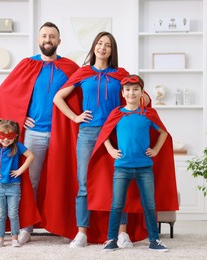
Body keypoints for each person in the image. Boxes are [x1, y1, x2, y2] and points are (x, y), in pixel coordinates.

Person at [0, 22, 79, 243]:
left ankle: (63, 225)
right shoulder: (27, 65)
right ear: (39, 40)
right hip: (34, 133)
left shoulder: (70, 67)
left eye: (52, 36)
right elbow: (7, 92)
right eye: (44, 36)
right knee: (30, 181)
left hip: (60, 134)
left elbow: (85, 92)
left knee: (62, 178)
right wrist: (20, 114)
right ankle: (26, 227)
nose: (48, 39)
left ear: (59, 41)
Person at [52, 32, 150, 248]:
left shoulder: (121, 74)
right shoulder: (83, 72)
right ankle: (82, 233)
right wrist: (75, 117)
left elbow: (141, 97)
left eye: (107, 45)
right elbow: (58, 98)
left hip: (116, 133)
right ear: (94, 47)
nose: (102, 48)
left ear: (112, 50)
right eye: (99, 43)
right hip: (88, 133)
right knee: (84, 183)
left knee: (120, 183)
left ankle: (121, 233)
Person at [99, 74, 169, 252]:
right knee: (117, 204)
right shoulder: (117, 114)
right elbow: (104, 134)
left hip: (145, 167)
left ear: (141, 92)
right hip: (122, 168)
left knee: (149, 205)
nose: (131, 93)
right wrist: (110, 150)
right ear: (123, 93)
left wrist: (156, 150)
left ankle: (155, 240)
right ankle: (111, 240)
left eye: (135, 89)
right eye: (128, 90)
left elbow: (163, 133)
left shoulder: (149, 114)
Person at [0, 119, 34, 248]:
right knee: (0, 214)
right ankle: (0, 239)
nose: (5, 140)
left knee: (13, 213)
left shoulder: (18, 146)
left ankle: (14, 238)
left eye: (9, 136)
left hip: (14, 186)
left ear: (15, 136)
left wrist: (20, 170)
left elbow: (31, 156)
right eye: (2, 136)